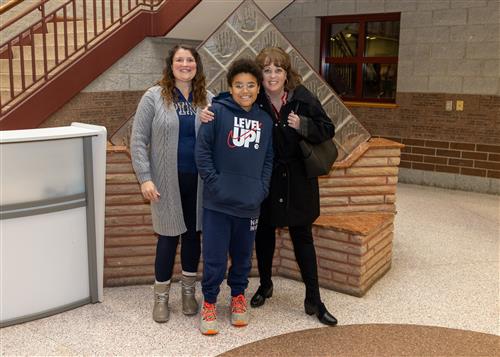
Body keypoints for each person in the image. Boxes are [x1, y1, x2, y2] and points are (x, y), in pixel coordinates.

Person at [201, 47, 338, 326]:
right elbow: (233, 97)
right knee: (263, 235)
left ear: (286, 73)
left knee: (303, 238)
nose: (273, 75)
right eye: (266, 70)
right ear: (259, 75)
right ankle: (264, 285)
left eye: (278, 69)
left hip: (298, 180)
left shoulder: (301, 97)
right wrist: (207, 111)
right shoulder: (258, 99)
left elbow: (328, 128)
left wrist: (304, 125)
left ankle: (314, 298)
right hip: (267, 181)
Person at [130, 44, 213, 323]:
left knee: (193, 237)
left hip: (199, 183)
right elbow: (138, 140)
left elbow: (216, 140)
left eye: (190, 60)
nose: (185, 64)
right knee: (167, 239)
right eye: (180, 59)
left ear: (197, 65)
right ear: (171, 65)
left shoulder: (207, 99)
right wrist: (145, 178)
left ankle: (189, 293)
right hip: (165, 182)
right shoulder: (154, 97)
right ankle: (161, 299)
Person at [195, 58, 273, 335]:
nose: (245, 90)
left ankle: (238, 297)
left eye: (250, 85)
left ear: (258, 87)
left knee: (242, 257)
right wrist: (215, 184)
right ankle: (210, 302)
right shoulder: (216, 112)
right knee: (215, 258)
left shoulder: (265, 120)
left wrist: (260, 189)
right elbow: (202, 153)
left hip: (249, 204)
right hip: (217, 203)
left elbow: (268, 160)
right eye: (239, 85)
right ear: (230, 87)